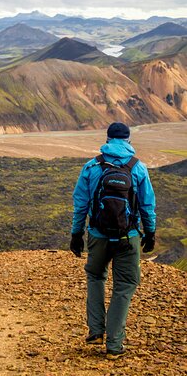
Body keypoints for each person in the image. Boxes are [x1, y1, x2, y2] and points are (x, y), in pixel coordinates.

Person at [70, 122, 156, 359]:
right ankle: (114, 345)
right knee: (124, 286)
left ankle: (96, 331)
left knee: (96, 277)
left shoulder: (91, 166)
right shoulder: (138, 168)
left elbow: (81, 204)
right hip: (128, 237)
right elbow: (148, 206)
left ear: (107, 140)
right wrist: (150, 233)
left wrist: (76, 234)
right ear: (128, 141)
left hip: (97, 235)